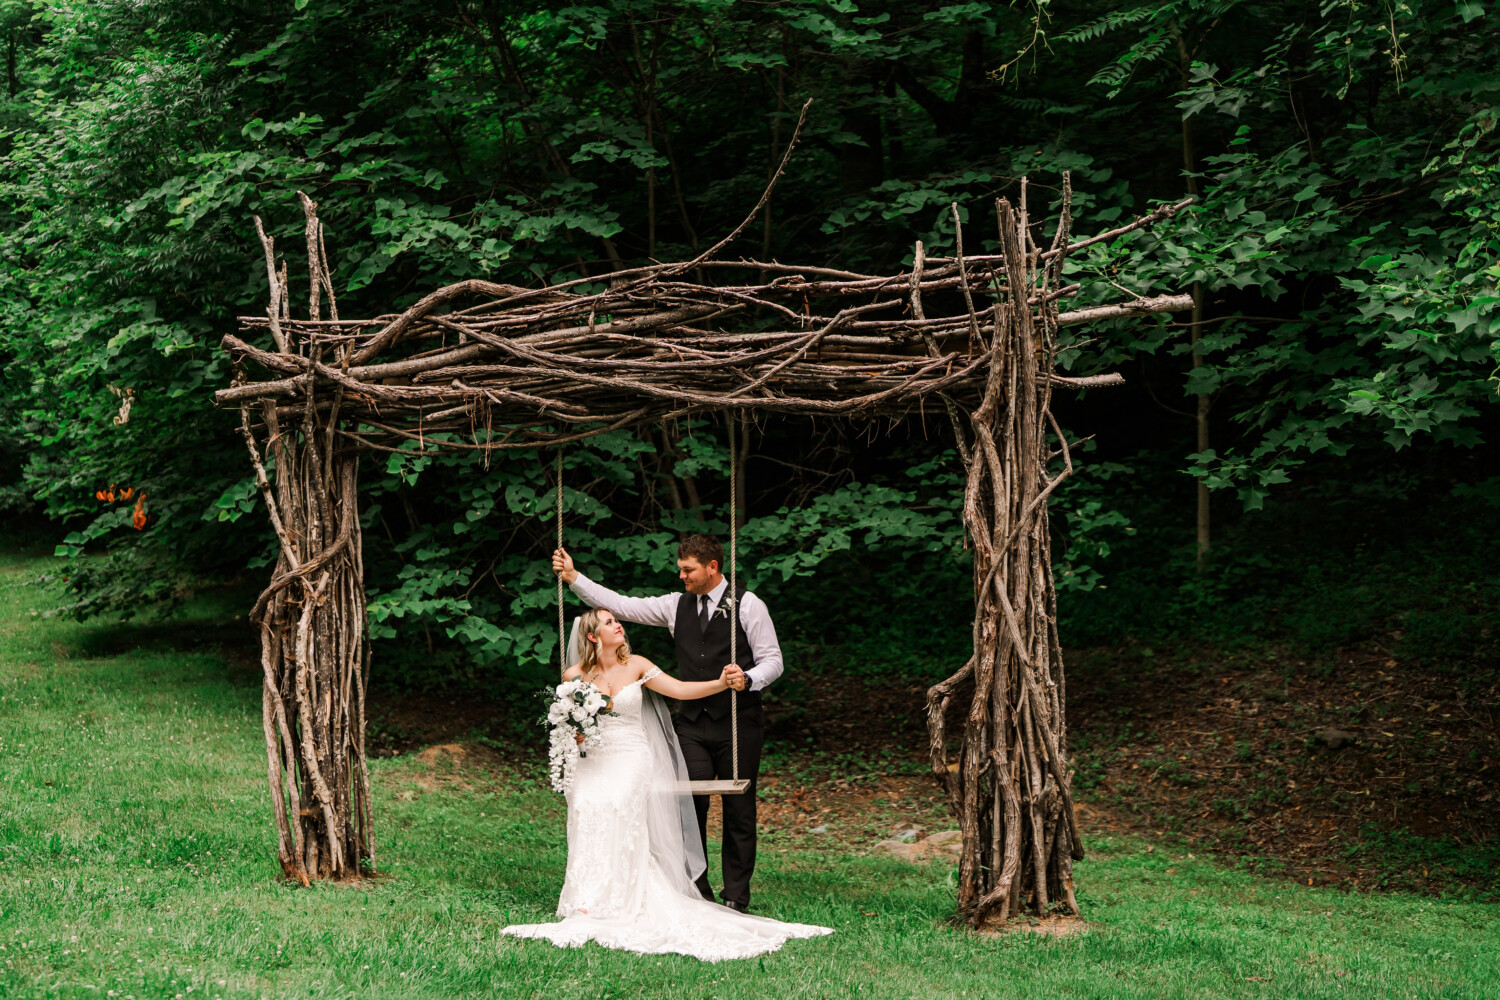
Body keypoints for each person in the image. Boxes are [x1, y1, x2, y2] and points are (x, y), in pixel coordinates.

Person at [501, 608, 830, 961]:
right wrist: (577, 733)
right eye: (610, 623)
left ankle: (623, 896)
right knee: (586, 805)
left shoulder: (637, 665)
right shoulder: (574, 675)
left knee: (617, 803)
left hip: (630, 754)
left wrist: (720, 683)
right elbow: (570, 728)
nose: (618, 625)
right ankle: (586, 900)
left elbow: (680, 690)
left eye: (617, 620)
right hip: (594, 758)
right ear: (593, 636)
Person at [551, 533, 779, 912]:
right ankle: (697, 889)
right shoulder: (675, 606)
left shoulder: (749, 605)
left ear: (712, 568)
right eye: (680, 569)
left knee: (740, 810)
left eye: (688, 570)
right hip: (691, 723)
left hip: (739, 721)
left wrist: (749, 678)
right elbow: (620, 605)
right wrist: (575, 578)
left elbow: (773, 659)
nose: (682, 577)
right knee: (687, 804)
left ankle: (736, 896)